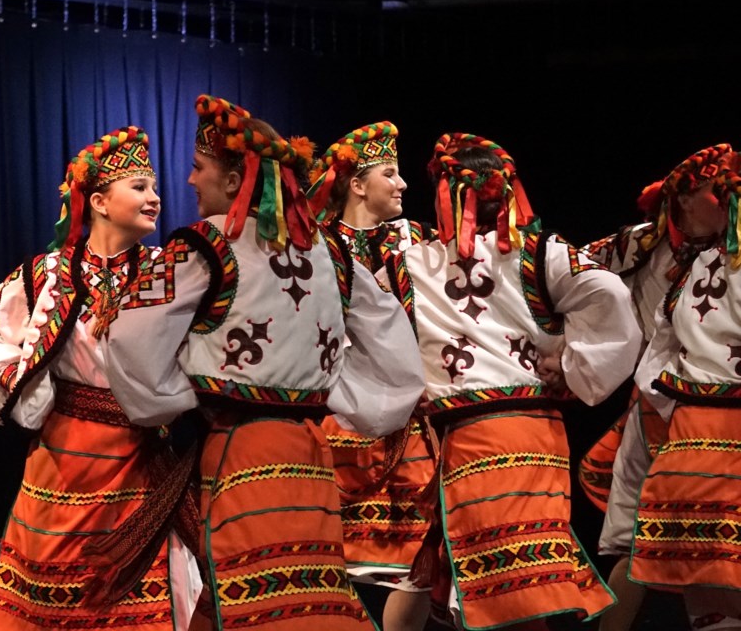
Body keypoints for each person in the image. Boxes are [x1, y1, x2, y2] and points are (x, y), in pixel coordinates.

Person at [102, 94, 425, 630]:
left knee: (256, 603)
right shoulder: (333, 252)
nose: (188, 181)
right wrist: (344, 401)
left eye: (198, 168)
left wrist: (175, 401)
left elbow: (130, 337)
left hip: (239, 455)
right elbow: (395, 352)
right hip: (312, 456)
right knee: (301, 600)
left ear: (233, 182)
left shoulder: (208, 245)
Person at [380, 132, 641, 630]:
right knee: (512, 590)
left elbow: (364, 326)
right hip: (536, 438)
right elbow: (610, 296)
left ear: (447, 193)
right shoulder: (539, 251)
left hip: (471, 440)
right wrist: (570, 361)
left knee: (503, 596)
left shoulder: (411, 263)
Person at [0, 126, 200, 630]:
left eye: (155, 187)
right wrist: (21, 378)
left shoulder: (169, 272)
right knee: (53, 596)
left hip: (140, 461)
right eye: (138, 186)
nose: (155, 197)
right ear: (98, 200)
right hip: (62, 462)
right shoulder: (50, 274)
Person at [576, 143, 731, 631]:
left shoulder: (731, 245)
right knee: (634, 544)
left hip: (708, 406)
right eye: (715, 192)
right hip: (656, 402)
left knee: (709, 545)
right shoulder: (638, 243)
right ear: (684, 198)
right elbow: (564, 278)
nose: (727, 201)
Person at [307, 121, 437, 631]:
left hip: (408, 422)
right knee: (328, 559)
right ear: (357, 184)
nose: (403, 184)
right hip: (337, 419)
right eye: (391, 173)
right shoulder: (317, 249)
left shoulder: (421, 243)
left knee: (419, 563)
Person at [629, 149, 741, 631]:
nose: (677, 217)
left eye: (687, 201)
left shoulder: (712, 261)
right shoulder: (694, 262)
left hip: (710, 429)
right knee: (707, 565)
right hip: (698, 428)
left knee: (712, 561)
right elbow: (661, 345)